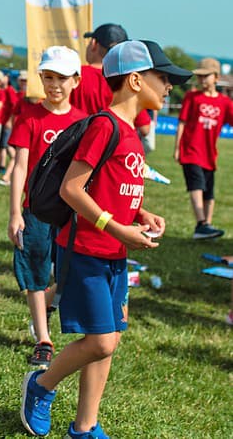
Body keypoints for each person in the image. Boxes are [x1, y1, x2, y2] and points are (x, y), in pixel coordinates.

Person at [21, 40, 190, 439]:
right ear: (135, 80)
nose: (169, 88)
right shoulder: (105, 125)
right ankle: (40, 386)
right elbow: (72, 189)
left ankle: (84, 427)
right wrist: (117, 228)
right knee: (100, 342)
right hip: (87, 250)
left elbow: (112, 188)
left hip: (114, 251)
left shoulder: (130, 132)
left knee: (109, 340)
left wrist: (141, 215)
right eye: (163, 78)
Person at [8, 46, 86, 370]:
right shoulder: (30, 118)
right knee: (36, 273)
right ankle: (43, 338)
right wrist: (15, 213)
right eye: (49, 77)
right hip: (36, 212)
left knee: (69, 275)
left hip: (70, 212)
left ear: (76, 81)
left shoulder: (84, 122)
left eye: (62, 78)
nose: (54, 85)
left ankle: (46, 307)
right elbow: (19, 167)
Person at [174, 57, 233, 239]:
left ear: (215, 77)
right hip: (190, 151)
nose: (201, 80)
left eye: (205, 76)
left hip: (209, 154)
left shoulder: (225, 102)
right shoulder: (192, 97)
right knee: (196, 185)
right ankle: (201, 224)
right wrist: (177, 148)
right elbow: (182, 123)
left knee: (209, 191)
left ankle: (207, 226)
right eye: (199, 77)